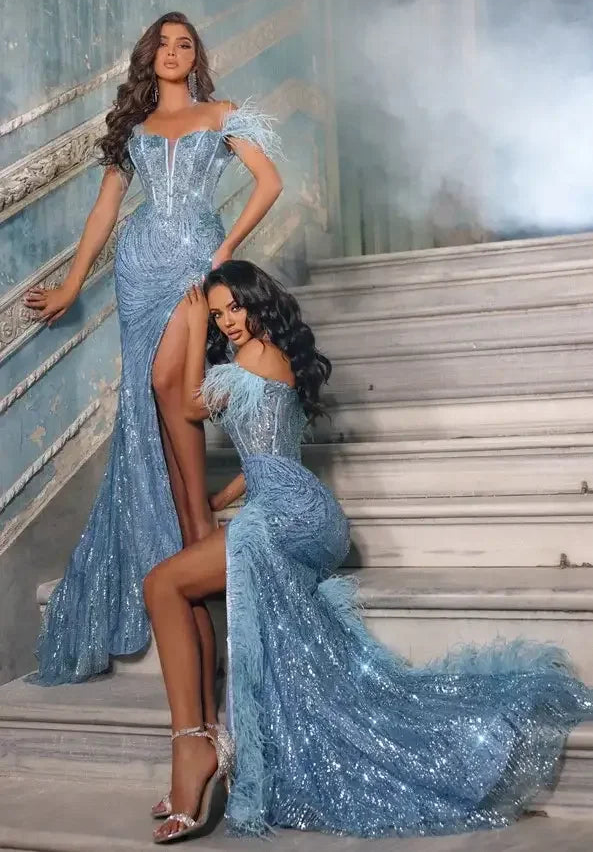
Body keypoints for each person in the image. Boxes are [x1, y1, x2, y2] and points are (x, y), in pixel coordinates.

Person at [144, 259, 593, 844]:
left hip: (287, 513)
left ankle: (194, 749)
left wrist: (191, 323)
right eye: (219, 312)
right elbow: (269, 451)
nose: (229, 320)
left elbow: (183, 405)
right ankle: (202, 741)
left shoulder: (252, 356)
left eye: (236, 306)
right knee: (192, 585)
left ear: (259, 302)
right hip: (306, 509)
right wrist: (224, 496)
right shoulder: (271, 355)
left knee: (161, 585)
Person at [24, 11, 282, 687]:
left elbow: (269, 183)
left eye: (184, 44)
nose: (172, 52)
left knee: (173, 384)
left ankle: (197, 521)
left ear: (196, 58)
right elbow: (105, 211)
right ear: (150, 56)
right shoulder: (133, 129)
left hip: (196, 259)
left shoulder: (221, 114)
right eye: (162, 44)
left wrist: (225, 251)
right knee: (152, 399)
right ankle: (192, 527)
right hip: (138, 267)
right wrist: (72, 284)